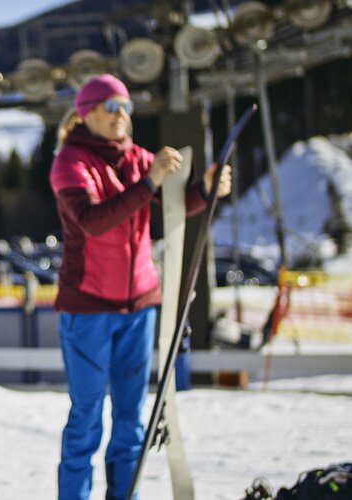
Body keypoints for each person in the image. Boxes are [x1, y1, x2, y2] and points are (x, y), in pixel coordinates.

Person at [49, 74, 231, 500]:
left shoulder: (136, 158)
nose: (121, 116)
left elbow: (173, 207)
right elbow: (93, 222)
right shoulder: (69, 162)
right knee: (87, 417)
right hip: (88, 306)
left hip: (140, 303)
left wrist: (205, 188)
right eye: (112, 106)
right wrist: (148, 182)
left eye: (126, 107)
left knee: (131, 419)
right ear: (87, 111)